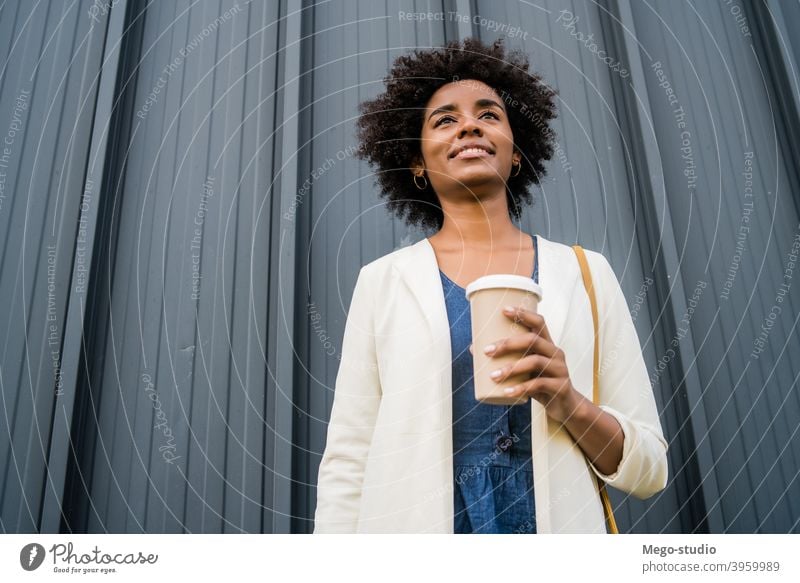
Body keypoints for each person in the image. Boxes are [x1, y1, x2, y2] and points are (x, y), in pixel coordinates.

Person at [314, 37, 668, 534]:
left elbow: (650, 466)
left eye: (489, 114)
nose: (469, 125)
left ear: (516, 152)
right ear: (416, 162)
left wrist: (568, 401)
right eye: (444, 120)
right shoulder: (382, 284)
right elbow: (348, 461)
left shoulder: (587, 275)